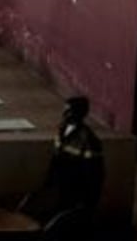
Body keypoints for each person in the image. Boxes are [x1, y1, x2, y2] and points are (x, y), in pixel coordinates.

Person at [19, 95, 105, 237]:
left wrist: (89, 200)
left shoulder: (89, 140)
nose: (64, 114)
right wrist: (48, 181)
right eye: (64, 110)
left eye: (69, 111)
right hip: (62, 186)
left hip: (79, 191)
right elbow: (56, 157)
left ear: (80, 113)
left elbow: (96, 173)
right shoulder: (62, 129)